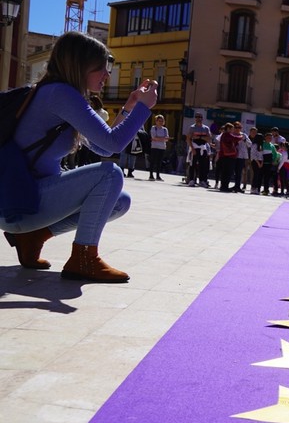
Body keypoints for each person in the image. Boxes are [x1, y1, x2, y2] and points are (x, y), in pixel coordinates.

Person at [0, 31, 156, 282]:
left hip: (19, 203)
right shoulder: (61, 94)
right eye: (101, 68)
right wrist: (144, 108)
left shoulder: (54, 93)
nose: (107, 74)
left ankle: (32, 238)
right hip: (20, 201)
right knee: (110, 174)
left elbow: (104, 148)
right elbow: (113, 145)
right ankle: (83, 257)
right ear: (81, 66)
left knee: (120, 200)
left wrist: (128, 108)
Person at [186, 113, 211, 187]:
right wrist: (192, 149)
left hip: (203, 148)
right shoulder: (192, 127)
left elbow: (209, 138)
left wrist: (199, 137)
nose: (198, 118)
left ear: (202, 118)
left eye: (200, 117)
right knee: (192, 165)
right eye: (197, 117)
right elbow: (188, 138)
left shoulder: (206, 128)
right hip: (194, 147)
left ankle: (202, 180)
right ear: (195, 118)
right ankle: (191, 180)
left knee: (203, 165)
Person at [216, 122, 240, 192]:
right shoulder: (227, 134)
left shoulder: (224, 135)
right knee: (227, 172)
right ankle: (224, 186)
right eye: (232, 129)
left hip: (225, 156)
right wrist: (241, 136)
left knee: (225, 172)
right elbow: (236, 138)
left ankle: (224, 186)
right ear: (228, 129)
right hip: (228, 157)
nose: (233, 130)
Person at [148, 115, 169, 181]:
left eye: (162, 121)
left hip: (162, 147)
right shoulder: (153, 128)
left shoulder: (165, 129)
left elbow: (167, 139)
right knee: (153, 161)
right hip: (154, 147)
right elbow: (153, 137)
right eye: (159, 121)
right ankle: (151, 175)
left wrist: (158, 138)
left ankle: (158, 175)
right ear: (156, 121)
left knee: (159, 162)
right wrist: (162, 138)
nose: (161, 122)